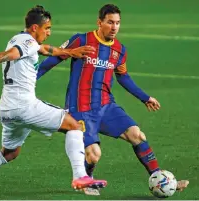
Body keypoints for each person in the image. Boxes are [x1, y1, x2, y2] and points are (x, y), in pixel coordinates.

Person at [0, 5, 108, 196]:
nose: (49, 32)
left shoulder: (20, 38)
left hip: (7, 110)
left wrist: (69, 52)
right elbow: (13, 53)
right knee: (74, 125)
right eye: (46, 28)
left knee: (9, 153)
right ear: (35, 28)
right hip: (25, 106)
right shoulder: (24, 43)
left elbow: (44, 49)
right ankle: (80, 176)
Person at [36, 4, 189, 196]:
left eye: (117, 23)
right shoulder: (81, 40)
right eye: (110, 22)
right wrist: (27, 81)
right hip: (81, 108)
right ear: (99, 22)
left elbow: (123, 76)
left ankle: (160, 178)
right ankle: (87, 179)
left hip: (106, 106)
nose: (114, 27)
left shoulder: (119, 50)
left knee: (137, 135)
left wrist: (145, 98)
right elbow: (52, 61)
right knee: (94, 155)